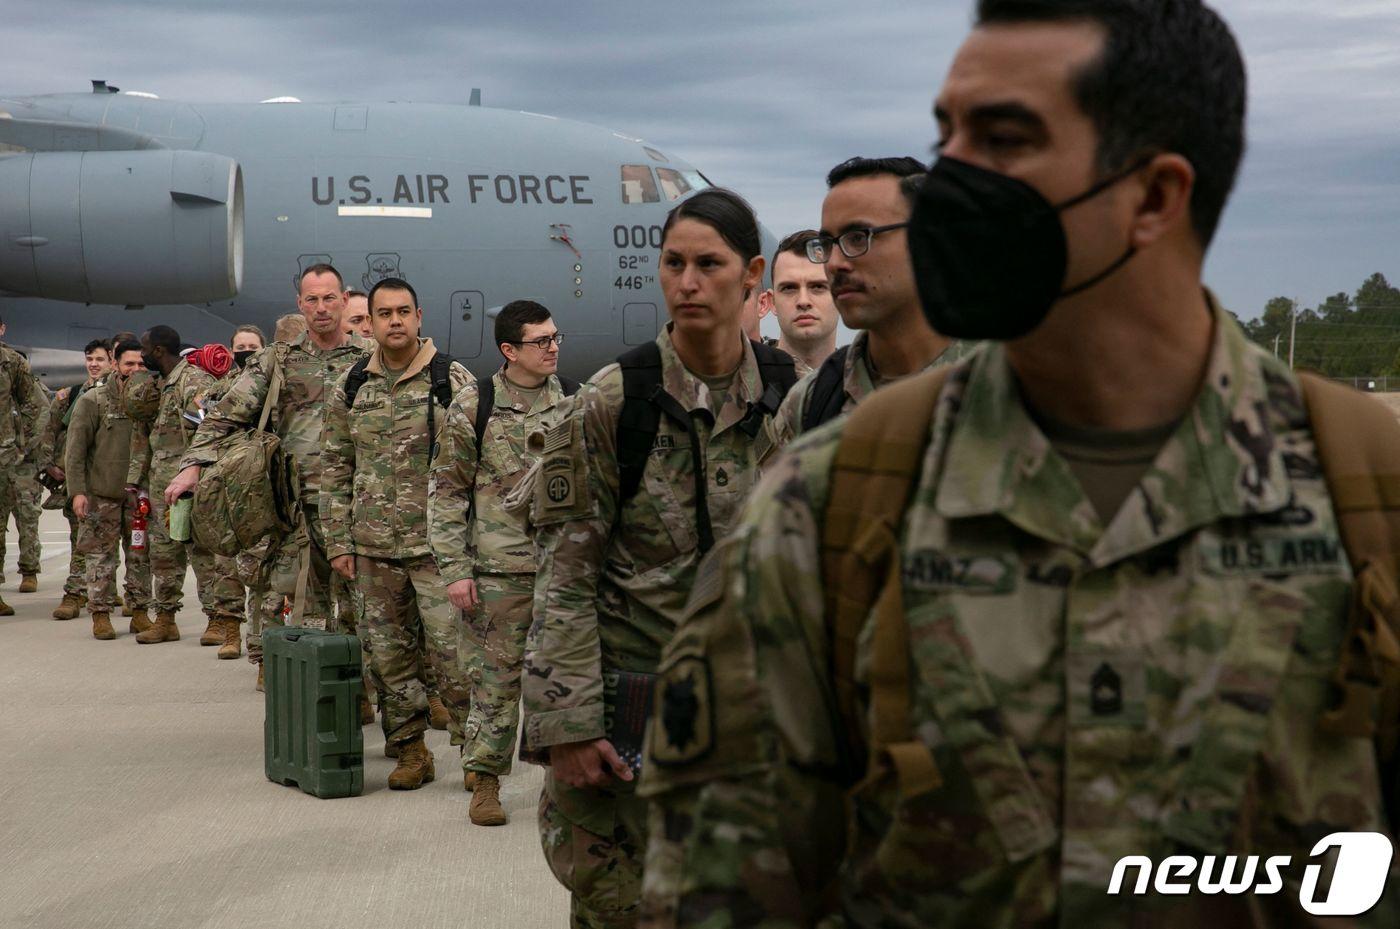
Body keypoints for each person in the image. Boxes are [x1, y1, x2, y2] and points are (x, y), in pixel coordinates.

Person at [637, 1, 1400, 926]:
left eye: (1002, 139)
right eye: (946, 136)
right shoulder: (832, 503)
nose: (949, 181)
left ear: (1156, 197)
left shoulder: (1369, 493)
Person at [522, 188, 796, 928]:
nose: (688, 281)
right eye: (674, 262)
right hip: (627, 722)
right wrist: (569, 725)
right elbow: (565, 576)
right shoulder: (617, 400)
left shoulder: (788, 400)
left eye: (710, 263)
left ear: (752, 276)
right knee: (625, 908)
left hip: (746, 718)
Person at [170, 264, 368, 689]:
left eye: (329, 298)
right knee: (297, 602)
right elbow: (222, 417)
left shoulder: (369, 359)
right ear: (299, 304)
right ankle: (305, 692)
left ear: (344, 300)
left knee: (363, 609)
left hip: (357, 506)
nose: (321, 308)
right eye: (311, 300)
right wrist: (192, 466)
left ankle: (362, 696)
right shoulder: (276, 360)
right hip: (293, 509)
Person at [322, 276, 473, 789]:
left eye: (402, 312)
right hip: (371, 549)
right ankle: (410, 752)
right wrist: (339, 541)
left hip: (437, 550)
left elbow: (478, 466)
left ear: (419, 316)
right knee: (388, 659)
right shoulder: (351, 383)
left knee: (455, 655)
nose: (393, 322)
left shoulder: (451, 380)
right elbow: (335, 465)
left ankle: (478, 756)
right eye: (383, 313)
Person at [429, 299, 575, 824]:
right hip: (497, 573)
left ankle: (567, 786)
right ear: (510, 350)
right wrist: (456, 571)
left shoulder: (573, 403)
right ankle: (486, 780)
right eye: (541, 341)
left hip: (562, 574)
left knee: (565, 685)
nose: (553, 347)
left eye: (556, 337)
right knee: (494, 684)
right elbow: (446, 492)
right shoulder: (474, 405)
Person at [769, 157, 950, 446]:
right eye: (827, 244)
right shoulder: (812, 403)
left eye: (858, 237)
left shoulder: (1008, 383)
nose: (835, 263)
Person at [123, 325, 241, 644]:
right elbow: (137, 417)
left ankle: (216, 619)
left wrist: (197, 473)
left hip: (190, 482)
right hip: (163, 483)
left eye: (145, 350)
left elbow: (205, 432)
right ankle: (165, 618)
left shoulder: (195, 382)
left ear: (159, 351)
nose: (142, 356)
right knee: (163, 553)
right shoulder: (161, 382)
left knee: (201, 552)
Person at [189, 324, 270, 660]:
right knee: (226, 566)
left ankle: (260, 646)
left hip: (257, 488)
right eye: (240, 346)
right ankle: (229, 632)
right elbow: (200, 430)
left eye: (253, 346)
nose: (246, 351)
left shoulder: (270, 386)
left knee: (261, 570)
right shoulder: (215, 391)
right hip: (223, 488)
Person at [64, 341, 152, 639]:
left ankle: (140, 611)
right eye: (129, 364)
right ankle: (100, 614)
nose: (136, 370)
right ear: (115, 363)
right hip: (102, 496)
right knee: (100, 558)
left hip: (139, 496)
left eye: (141, 364)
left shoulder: (152, 401)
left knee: (140, 556)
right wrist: (77, 491)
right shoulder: (93, 401)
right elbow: (75, 451)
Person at [42, 340, 113, 620]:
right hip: (79, 481)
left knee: (112, 541)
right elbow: (50, 429)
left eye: (100, 359)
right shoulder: (71, 396)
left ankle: (107, 591)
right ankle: (74, 593)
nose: (94, 364)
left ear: (112, 361)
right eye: (89, 359)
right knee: (80, 537)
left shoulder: (120, 394)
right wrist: (50, 464)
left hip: (109, 479)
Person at [0, 315, 46, 615]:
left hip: (8, 457)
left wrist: (23, 446)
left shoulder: (12, 362)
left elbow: (35, 404)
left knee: (20, 518)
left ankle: (27, 571)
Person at [757, 229, 840, 376]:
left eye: (818, 287)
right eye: (789, 288)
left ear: (840, 296)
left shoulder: (870, 385)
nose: (803, 301)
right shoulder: (746, 379)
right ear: (772, 301)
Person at [8, 368, 50, 593]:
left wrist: (21, 450)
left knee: (27, 518)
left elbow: (42, 419)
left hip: (24, 465)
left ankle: (29, 570)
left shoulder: (32, 392)